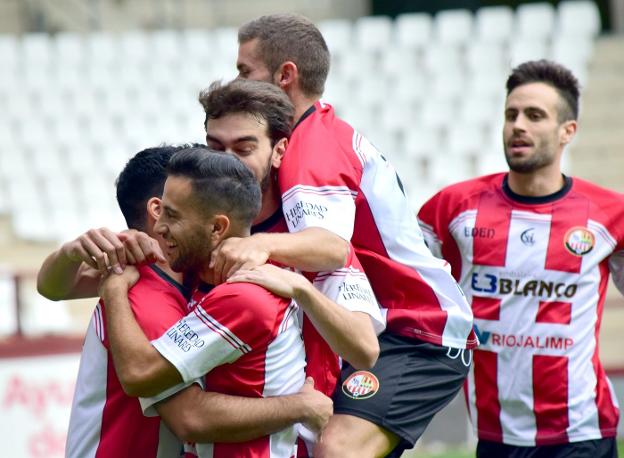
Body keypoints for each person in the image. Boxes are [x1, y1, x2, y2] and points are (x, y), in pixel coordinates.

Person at [210, 13, 477, 457]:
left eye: (245, 71)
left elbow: (330, 248)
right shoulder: (317, 131)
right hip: (371, 323)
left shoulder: (308, 148)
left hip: (417, 331)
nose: (237, 80)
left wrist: (257, 244)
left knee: (338, 449)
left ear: (286, 75)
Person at [39, 146, 332, 457]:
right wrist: (298, 406)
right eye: (167, 210)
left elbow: (52, 287)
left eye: (175, 211)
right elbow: (188, 415)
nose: (165, 222)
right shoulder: (140, 293)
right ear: (155, 210)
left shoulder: (190, 279)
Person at [417, 60, 623, 458]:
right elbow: (406, 284)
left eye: (535, 115)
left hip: (583, 433)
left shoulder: (608, 215)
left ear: (568, 131)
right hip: (496, 438)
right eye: (511, 114)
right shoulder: (453, 208)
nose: (518, 125)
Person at [198, 78, 385, 453]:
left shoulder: (312, 240)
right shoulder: (194, 230)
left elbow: (365, 349)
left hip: (293, 442)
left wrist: (299, 287)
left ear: (279, 150)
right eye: (215, 147)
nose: (226, 162)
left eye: (244, 148)